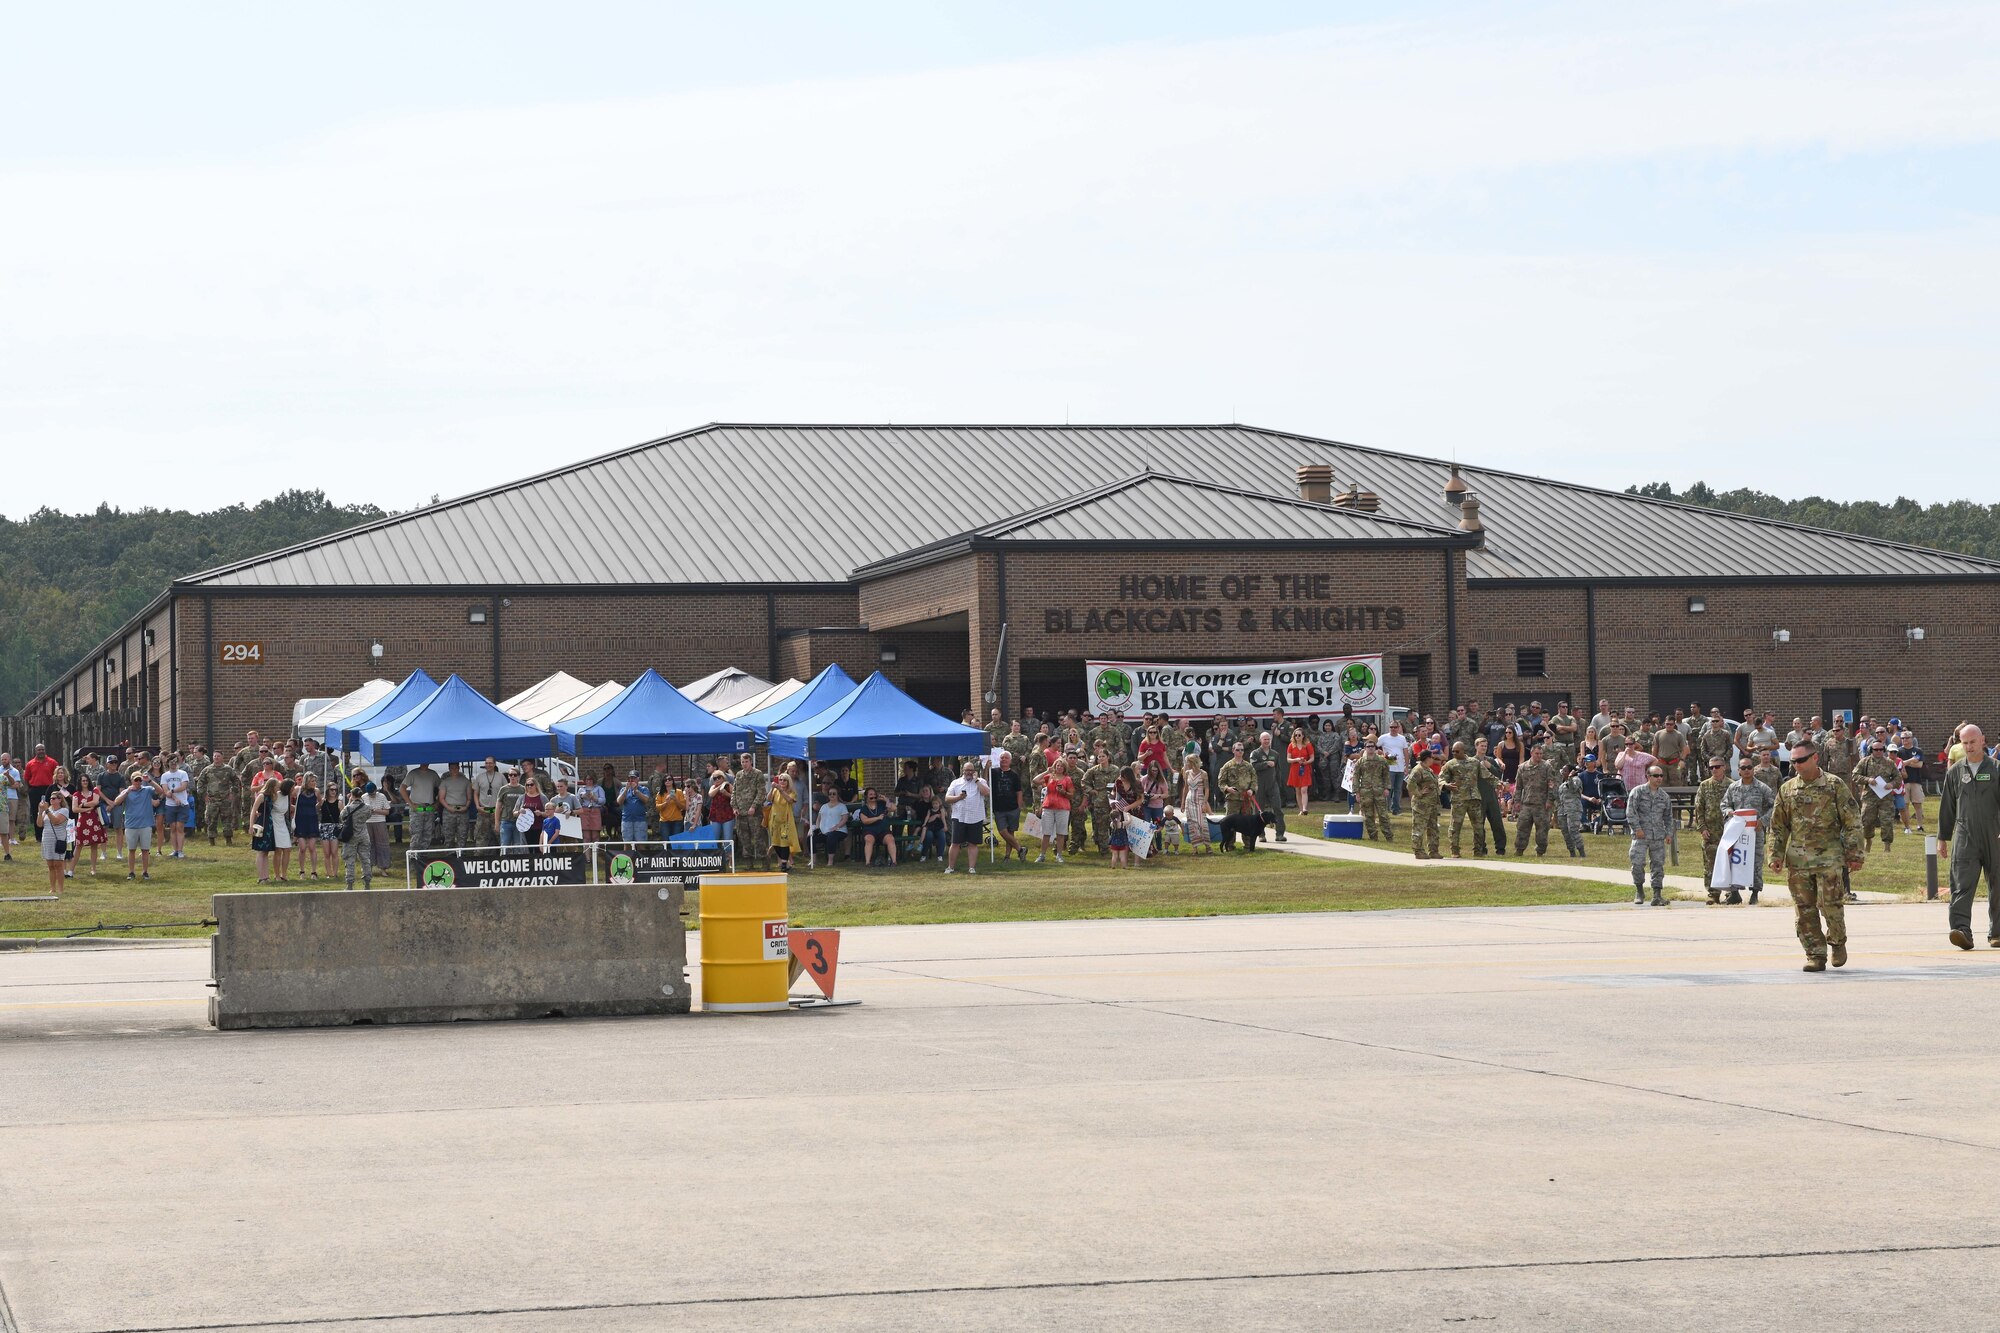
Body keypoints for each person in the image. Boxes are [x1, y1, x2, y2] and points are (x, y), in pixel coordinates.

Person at [1770, 739, 1865, 971]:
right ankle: (1815, 954)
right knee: (1804, 909)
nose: (1796, 765)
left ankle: (1837, 942)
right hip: (1799, 861)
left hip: (1829, 857)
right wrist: (1775, 854)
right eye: (1793, 761)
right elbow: (1778, 826)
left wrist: (1855, 853)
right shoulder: (1788, 789)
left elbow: (1852, 821)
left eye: (1801, 760)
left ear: (1815, 758)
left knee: (1830, 904)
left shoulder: (1834, 785)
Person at [1937, 724, 2000, 952]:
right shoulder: (1955, 772)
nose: (1969, 746)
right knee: (1961, 884)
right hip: (1965, 836)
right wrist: (1942, 837)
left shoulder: (1996, 769)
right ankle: (1962, 931)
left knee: (1998, 883)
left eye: (1973, 742)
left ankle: (1997, 933)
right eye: (1964, 743)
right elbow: (1947, 806)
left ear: (1983, 740)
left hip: (1995, 835)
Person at [1721, 753, 1775, 906]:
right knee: (1735, 860)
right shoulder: (1733, 788)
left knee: (1755, 861)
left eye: (1749, 767)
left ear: (1753, 769)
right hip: (1737, 833)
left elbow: (1774, 807)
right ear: (1738, 771)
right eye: (1743, 768)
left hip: (1755, 832)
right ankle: (1735, 893)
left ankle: (1755, 893)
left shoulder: (1762, 788)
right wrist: (1728, 812)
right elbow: (1724, 804)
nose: (1746, 770)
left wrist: (1763, 821)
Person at [1628, 764, 1674, 907]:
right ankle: (1639, 891)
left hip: (1657, 836)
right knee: (1637, 864)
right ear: (1648, 776)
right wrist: (1637, 829)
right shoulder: (1638, 792)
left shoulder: (1664, 796)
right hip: (1641, 836)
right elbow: (1630, 812)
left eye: (1661, 776)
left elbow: (1668, 817)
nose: (1659, 778)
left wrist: (1668, 833)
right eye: (1656, 776)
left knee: (1658, 866)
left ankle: (1657, 895)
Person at [943, 761, 989, 875]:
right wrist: (959, 797)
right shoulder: (956, 783)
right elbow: (947, 799)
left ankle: (971, 868)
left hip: (975, 817)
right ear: (962, 771)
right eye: (967, 770)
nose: (969, 772)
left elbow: (986, 792)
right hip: (959, 816)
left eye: (971, 770)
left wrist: (977, 780)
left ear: (974, 771)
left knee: (973, 843)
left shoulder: (981, 781)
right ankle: (950, 867)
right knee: (955, 843)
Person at [1694, 757, 1730, 898]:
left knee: (1729, 863)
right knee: (1710, 864)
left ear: (1724, 767)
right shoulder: (1704, 785)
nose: (1714, 769)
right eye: (1711, 767)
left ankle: (1730, 892)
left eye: (1717, 766)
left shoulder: (1732, 785)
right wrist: (1702, 828)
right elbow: (1699, 808)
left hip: (1728, 831)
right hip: (1711, 832)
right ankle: (1713, 893)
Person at [1512, 742, 1556, 855]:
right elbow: (1518, 786)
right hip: (1526, 803)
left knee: (1542, 830)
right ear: (1531, 753)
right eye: (1537, 753)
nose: (1539, 756)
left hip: (1541, 804)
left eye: (1541, 753)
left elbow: (1551, 784)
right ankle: (1519, 850)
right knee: (1522, 828)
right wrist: (1516, 801)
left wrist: (1550, 800)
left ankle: (1540, 851)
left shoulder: (1547, 767)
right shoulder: (1523, 767)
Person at [1249, 730, 1286, 842]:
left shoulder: (1275, 754)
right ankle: (1261, 834)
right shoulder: (1255, 753)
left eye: (1268, 739)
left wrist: (1279, 784)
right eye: (1264, 739)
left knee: (1277, 809)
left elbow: (1278, 770)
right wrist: (1265, 764)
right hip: (1259, 785)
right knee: (1259, 810)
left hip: (1272, 785)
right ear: (1260, 740)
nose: (1266, 741)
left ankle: (1280, 834)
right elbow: (1253, 766)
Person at [1035, 758, 1074, 864]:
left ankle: (1059, 855)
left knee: (1061, 833)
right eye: (1057, 765)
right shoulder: (1049, 777)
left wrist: (1063, 792)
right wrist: (1047, 771)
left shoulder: (1067, 779)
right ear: (1054, 767)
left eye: (1061, 766)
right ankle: (1042, 855)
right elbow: (1035, 780)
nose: (1059, 767)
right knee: (1046, 832)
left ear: (1064, 768)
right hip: (1048, 807)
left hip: (1063, 808)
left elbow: (1071, 794)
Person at [990, 752, 1026, 862]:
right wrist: (987, 767)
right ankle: (1020, 849)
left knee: (1010, 833)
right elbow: (985, 778)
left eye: (1006, 758)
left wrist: (1019, 807)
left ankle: (1007, 856)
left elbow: (1019, 792)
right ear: (999, 759)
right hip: (998, 808)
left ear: (1010, 761)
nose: (1004, 759)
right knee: (1002, 831)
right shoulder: (993, 772)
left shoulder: (1014, 775)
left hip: (1013, 808)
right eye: (1002, 758)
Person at [36, 789, 72, 897]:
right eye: (50, 798)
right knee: (50, 865)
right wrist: (40, 811)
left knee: (58, 865)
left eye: (54, 798)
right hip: (47, 838)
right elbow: (39, 824)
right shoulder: (47, 810)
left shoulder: (64, 810)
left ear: (60, 800)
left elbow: (56, 821)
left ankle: (60, 889)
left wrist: (47, 811)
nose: (51, 800)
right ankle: (52, 888)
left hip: (58, 840)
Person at [248, 777, 281, 884]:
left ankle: (266, 876)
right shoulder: (261, 796)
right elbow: (253, 811)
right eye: (276, 786)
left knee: (266, 851)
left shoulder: (271, 797)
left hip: (269, 823)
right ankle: (261, 877)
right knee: (261, 851)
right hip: (262, 823)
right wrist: (251, 825)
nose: (278, 788)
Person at [1179, 752, 1211, 855]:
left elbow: (1207, 789)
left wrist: (1205, 802)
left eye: (1187, 761)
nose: (1186, 763)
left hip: (1200, 799)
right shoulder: (1187, 773)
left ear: (1192, 762)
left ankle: (1207, 846)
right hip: (1190, 799)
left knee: (1202, 823)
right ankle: (1195, 847)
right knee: (1192, 823)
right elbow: (1185, 788)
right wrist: (1183, 802)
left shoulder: (1203, 774)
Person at [765, 773, 799, 871]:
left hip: (785, 821)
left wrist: (781, 790)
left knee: (784, 842)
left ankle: (784, 863)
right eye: (780, 780)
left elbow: (789, 800)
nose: (782, 782)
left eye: (784, 780)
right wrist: (772, 789)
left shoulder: (792, 792)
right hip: (775, 820)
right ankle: (786, 862)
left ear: (788, 782)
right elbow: (768, 799)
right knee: (775, 842)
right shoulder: (775, 790)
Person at [854, 787, 896, 866]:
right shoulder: (864, 808)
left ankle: (894, 862)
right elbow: (865, 821)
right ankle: (868, 862)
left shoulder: (881, 804)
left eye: (874, 794)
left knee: (890, 839)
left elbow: (894, 808)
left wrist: (886, 799)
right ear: (866, 796)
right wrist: (877, 818)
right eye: (870, 794)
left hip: (883, 830)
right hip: (870, 830)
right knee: (869, 839)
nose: (873, 796)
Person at [403, 765, 441, 852]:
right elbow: (402, 788)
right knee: (416, 835)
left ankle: (423, 858)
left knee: (428, 835)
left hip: (429, 808)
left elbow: (442, 788)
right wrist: (411, 804)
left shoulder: (433, 774)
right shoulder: (413, 773)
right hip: (417, 808)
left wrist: (437, 803)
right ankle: (414, 857)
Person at [294, 774, 323, 880]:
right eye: (312, 781)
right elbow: (288, 797)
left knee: (312, 847)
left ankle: (314, 872)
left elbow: (320, 802)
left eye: (315, 781)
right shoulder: (298, 790)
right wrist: (293, 808)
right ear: (306, 781)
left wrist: (315, 808)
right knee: (302, 847)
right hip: (300, 821)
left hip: (312, 820)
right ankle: (301, 871)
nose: (314, 783)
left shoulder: (316, 791)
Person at [1286, 728, 1315, 816]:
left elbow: (1312, 758)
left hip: (1305, 768)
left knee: (1304, 789)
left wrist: (1306, 762)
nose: (1297, 737)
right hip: (1294, 769)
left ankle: (1305, 808)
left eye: (1299, 735)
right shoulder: (1291, 745)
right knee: (1297, 790)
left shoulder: (1308, 745)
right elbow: (1288, 759)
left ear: (1303, 736)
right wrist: (1296, 759)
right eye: (1295, 735)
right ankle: (1301, 809)